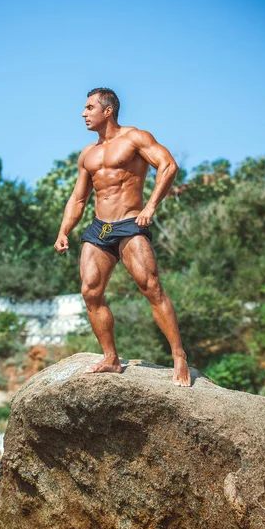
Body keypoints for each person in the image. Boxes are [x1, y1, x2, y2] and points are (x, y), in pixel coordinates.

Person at [54, 87, 191, 387]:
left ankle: (179, 356)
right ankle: (111, 358)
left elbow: (168, 165)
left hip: (130, 223)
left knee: (151, 288)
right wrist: (64, 230)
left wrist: (150, 206)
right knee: (90, 292)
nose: (83, 113)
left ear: (107, 110)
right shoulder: (87, 154)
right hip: (99, 228)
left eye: (89, 107)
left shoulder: (135, 138)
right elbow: (78, 199)